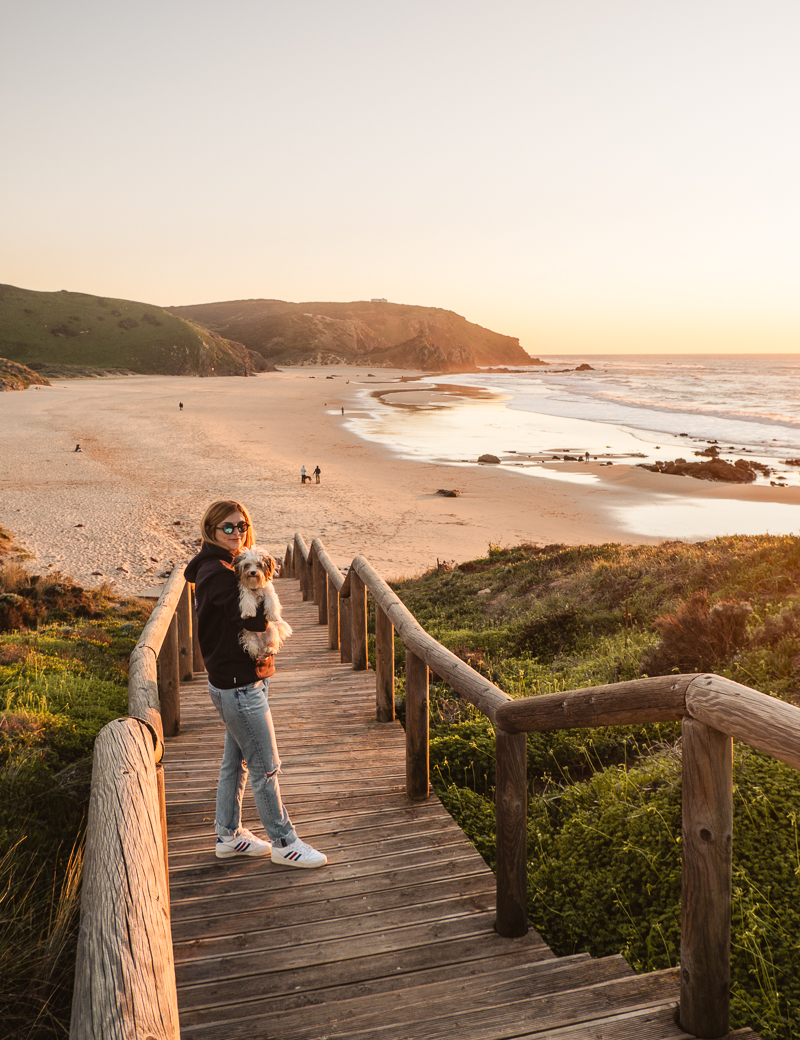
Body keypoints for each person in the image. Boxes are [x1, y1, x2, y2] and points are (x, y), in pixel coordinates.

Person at [184, 500, 327, 868]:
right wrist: (266, 620)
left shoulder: (223, 565)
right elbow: (251, 622)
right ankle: (285, 843)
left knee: (236, 763)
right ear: (210, 531)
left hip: (236, 680)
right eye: (227, 528)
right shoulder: (217, 572)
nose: (236, 533)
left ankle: (228, 835)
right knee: (266, 766)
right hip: (239, 685)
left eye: (241, 526)